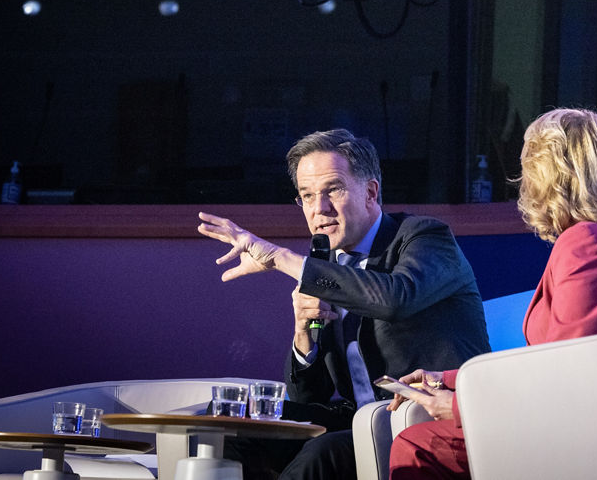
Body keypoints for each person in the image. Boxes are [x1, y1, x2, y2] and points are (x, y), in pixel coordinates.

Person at [197, 128, 491, 480]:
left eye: (332, 190)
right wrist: (305, 337)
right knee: (232, 424)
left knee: (323, 453)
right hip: (354, 417)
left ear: (370, 192)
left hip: (418, 417)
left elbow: (394, 297)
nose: (319, 209)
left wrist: (279, 257)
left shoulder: (424, 237)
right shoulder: (327, 265)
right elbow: (310, 396)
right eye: (306, 195)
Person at [385, 108, 597, 479]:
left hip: (582, 433)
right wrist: (447, 379)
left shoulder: (587, 244)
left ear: (549, 173)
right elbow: (544, 363)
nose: (523, 180)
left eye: (529, 165)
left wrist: (461, 406)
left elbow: (560, 371)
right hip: (572, 417)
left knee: (417, 447)